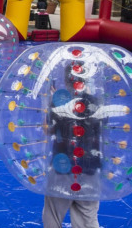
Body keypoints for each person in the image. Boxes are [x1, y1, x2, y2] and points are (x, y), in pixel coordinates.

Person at [42, 64, 103, 228]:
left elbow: (48, 130)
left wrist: (51, 104)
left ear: (66, 81)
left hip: (62, 167)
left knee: (53, 213)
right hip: (90, 168)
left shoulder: (58, 105)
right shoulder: (97, 103)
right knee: (87, 217)